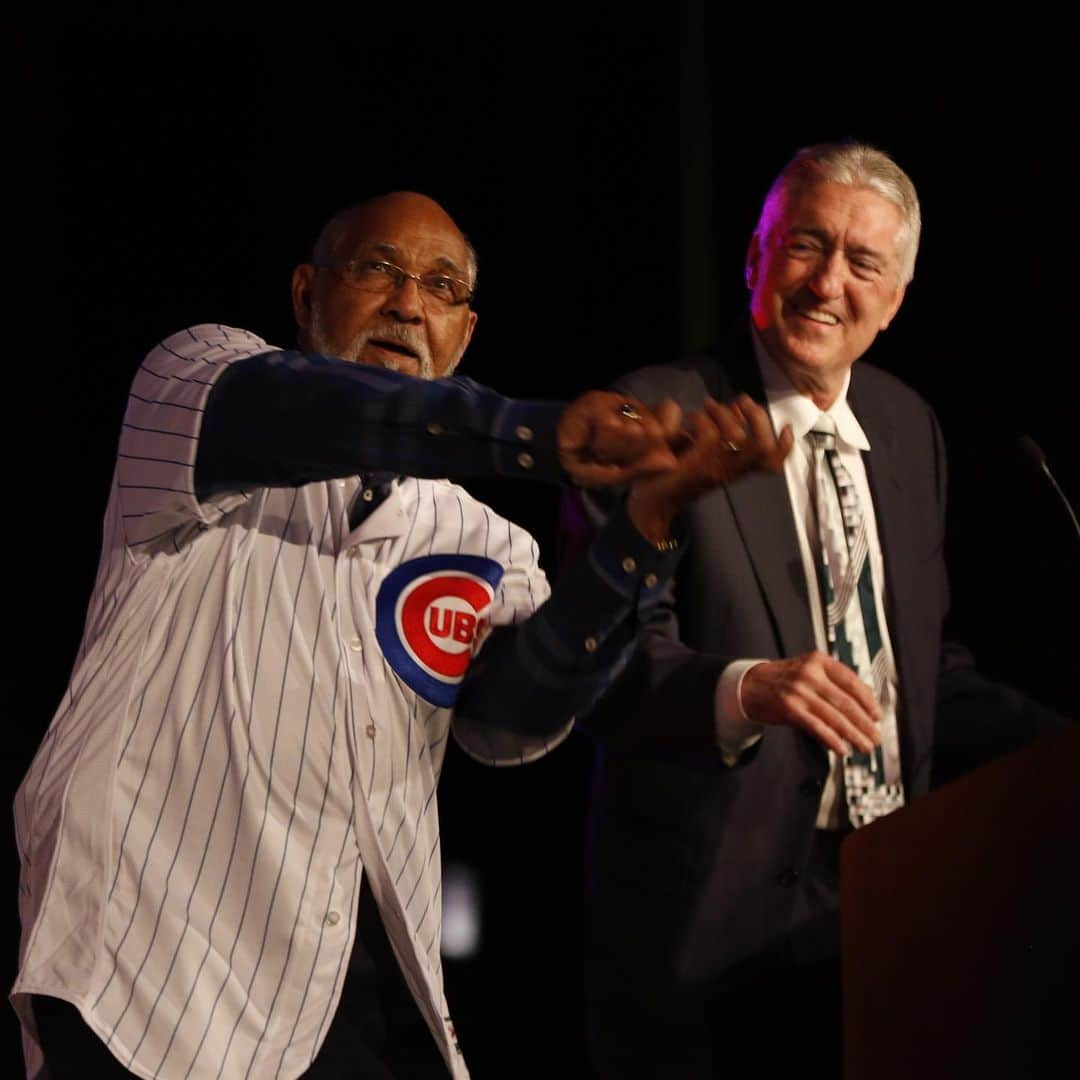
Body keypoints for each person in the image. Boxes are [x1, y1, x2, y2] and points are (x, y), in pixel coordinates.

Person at [10, 190, 791, 1079]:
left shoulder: (483, 542)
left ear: (464, 333)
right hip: (146, 977)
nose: (408, 302)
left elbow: (509, 715)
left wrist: (644, 528)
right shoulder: (199, 386)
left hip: (349, 992)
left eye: (441, 286)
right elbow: (325, 410)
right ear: (307, 293)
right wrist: (541, 432)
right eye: (378, 268)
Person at [569, 142, 1070, 1077]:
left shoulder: (907, 425)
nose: (827, 282)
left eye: (862, 262)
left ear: (896, 298)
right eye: (805, 245)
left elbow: (918, 669)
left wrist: (1059, 744)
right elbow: (593, 666)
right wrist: (745, 687)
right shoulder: (658, 414)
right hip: (710, 936)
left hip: (889, 908)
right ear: (756, 257)